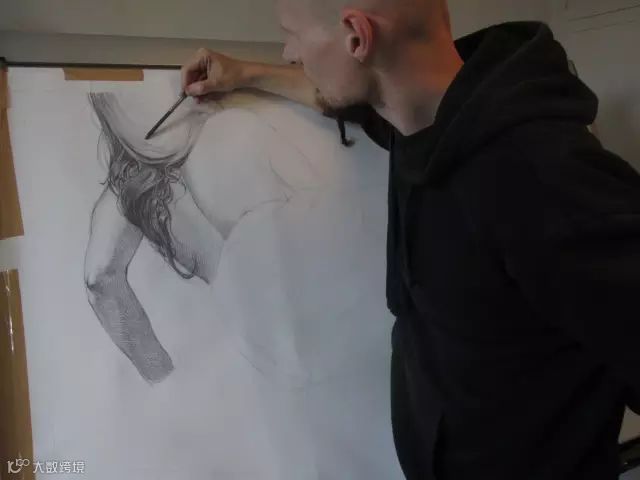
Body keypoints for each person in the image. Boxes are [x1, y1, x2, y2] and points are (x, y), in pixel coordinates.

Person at [180, 0, 640, 478]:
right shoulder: (424, 118)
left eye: (291, 33)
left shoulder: (542, 179)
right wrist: (244, 74)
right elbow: (337, 98)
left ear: (357, 36)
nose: (289, 52)